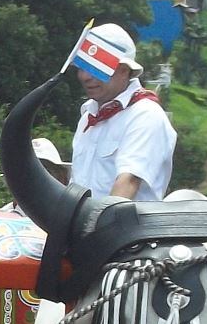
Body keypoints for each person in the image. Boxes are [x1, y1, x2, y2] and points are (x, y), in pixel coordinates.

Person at [67, 21, 174, 201]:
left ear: (124, 71)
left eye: (97, 68)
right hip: (83, 225)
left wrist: (92, 226)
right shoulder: (88, 117)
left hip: (127, 227)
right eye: (82, 68)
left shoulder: (145, 115)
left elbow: (128, 183)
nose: (85, 77)